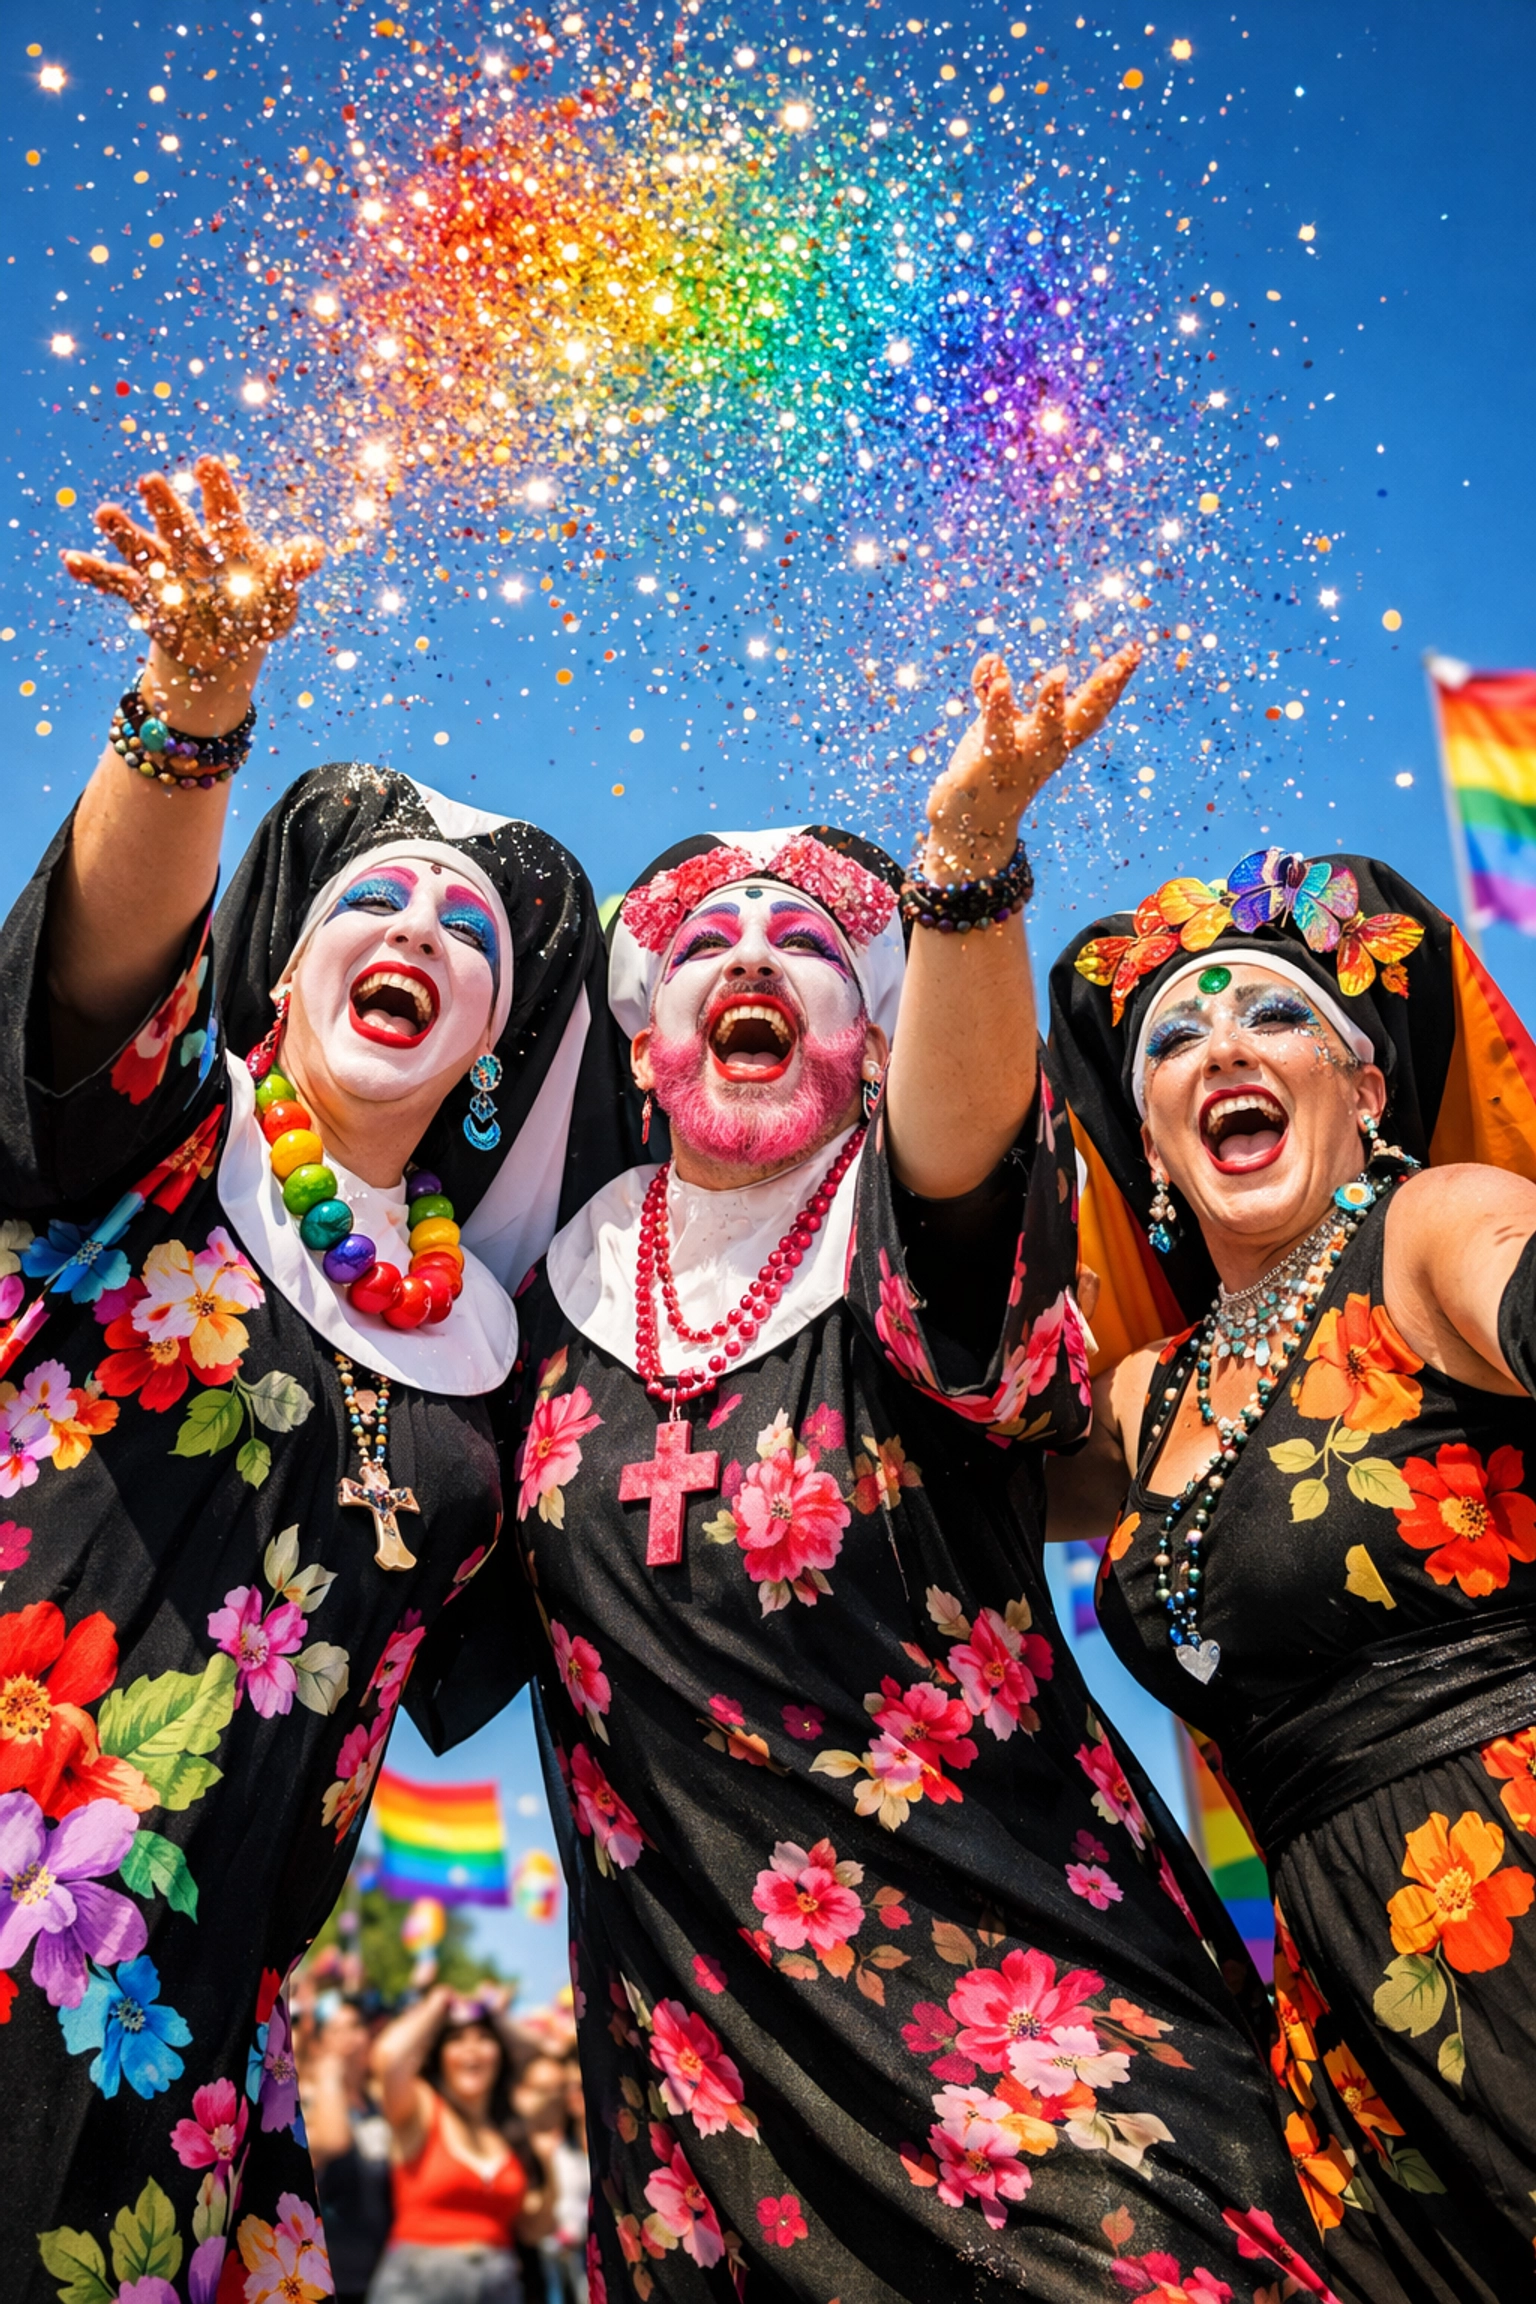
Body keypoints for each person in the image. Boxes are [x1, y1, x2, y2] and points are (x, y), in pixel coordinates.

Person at [409, 651, 1382, 2301]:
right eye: (707, 945)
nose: (753, 959)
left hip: (1047, 2057)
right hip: (704, 2111)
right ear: (645, 1051)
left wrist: (965, 874)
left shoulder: (906, 1222)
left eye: (809, 946)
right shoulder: (524, 1301)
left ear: (873, 1038)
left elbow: (962, 1163)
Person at [6, 456, 607, 2300]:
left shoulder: (508, 1353)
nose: (418, 929)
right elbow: (97, 973)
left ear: (496, 1044)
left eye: (468, 931)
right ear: (285, 963)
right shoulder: (169, 1137)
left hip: (208, 2038)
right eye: (377, 897)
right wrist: (195, 714)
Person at [1047, 844, 1536, 2300]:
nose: (1222, 1054)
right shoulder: (1143, 1397)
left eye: (1270, 1019)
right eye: (1175, 1040)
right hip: (1341, 2012)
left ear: (1366, 1086)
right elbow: (918, 1479)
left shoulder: (1431, 1227)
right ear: (1147, 1143)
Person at [369, 1985, 555, 2303]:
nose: (472, 2050)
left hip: (501, 2283)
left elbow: (547, 2051)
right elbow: (388, 2057)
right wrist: (436, 2004)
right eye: (457, 2040)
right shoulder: (422, 2107)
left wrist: (495, 2014)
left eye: (484, 2039)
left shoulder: (509, 2129)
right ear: (439, 2055)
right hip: (418, 2285)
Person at [306, 1995, 396, 2304]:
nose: (348, 2038)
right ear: (317, 2043)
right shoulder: (305, 2098)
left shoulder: (378, 2103)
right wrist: (329, 2073)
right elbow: (332, 2141)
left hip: (380, 2274)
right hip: (326, 2276)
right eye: (335, 2029)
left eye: (355, 2026)